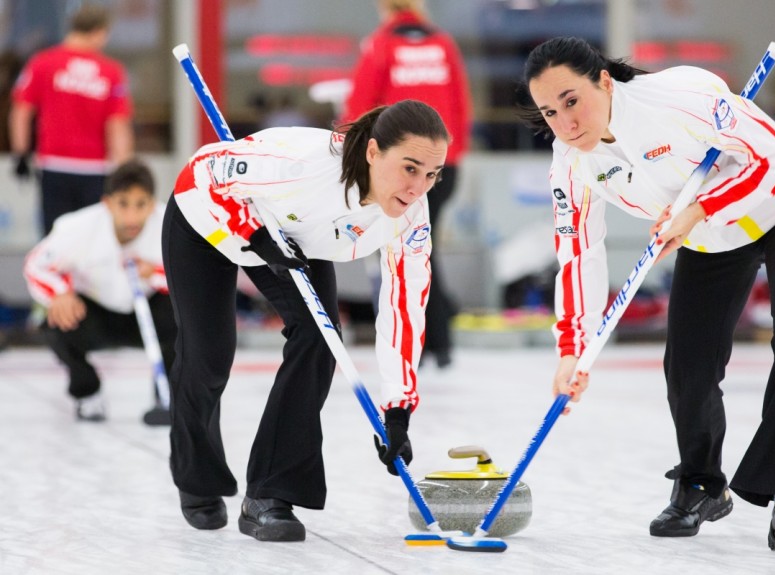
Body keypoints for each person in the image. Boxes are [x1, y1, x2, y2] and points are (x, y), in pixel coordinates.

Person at [522, 37, 775, 554]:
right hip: (713, 233)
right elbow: (578, 255)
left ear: (603, 80)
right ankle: (700, 482)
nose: (565, 123)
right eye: (549, 112)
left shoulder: (676, 97)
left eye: (572, 100)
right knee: (687, 365)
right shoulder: (571, 163)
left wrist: (702, 208)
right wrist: (571, 353)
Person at [163, 100, 448, 541]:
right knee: (208, 356)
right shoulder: (301, 165)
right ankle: (197, 477)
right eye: (409, 168)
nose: (418, 188)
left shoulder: (412, 215)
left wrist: (398, 408)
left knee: (320, 339)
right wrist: (254, 236)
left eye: (431, 175)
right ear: (373, 152)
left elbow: (404, 307)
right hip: (209, 220)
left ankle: (269, 494)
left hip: (293, 237)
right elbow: (203, 174)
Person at [343, 0, 471, 368]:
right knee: (422, 247)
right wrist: (451, 158)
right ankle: (436, 340)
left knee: (408, 251)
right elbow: (462, 106)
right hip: (443, 165)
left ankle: (424, 341)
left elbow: (360, 107)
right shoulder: (443, 43)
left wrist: (355, 156)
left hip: (402, 166)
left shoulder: (381, 44)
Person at [23, 159, 174, 424]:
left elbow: (192, 278)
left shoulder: (170, 227)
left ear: (152, 204)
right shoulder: (77, 228)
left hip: (147, 315)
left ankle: (169, 396)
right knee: (55, 321)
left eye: (141, 205)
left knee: (185, 315)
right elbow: (35, 265)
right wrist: (60, 292)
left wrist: (156, 273)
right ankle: (87, 392)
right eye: (123, 204)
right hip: (94, 314)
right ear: (107, 203)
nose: (132, 216)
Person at [9, 3, 134, 235]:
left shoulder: (42, 63)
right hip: (95, 168)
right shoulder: (111, 71)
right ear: (98, 32)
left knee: (55, 236)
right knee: (93, 237)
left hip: (54, 164)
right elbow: (117, 125)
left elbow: (21, 111)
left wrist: (21, 152)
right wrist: (125, 169)